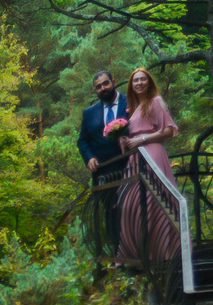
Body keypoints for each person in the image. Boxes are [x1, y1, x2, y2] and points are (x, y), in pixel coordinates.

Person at [113, 66, 181, 267]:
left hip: (151, 153)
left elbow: (169, 131)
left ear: (149, 82)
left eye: (143, 79)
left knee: (153, 200)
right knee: (130, 203)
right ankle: (137, 251)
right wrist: (126, 139)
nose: (139, 83)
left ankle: (161, 252)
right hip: (136, 158)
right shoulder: (133, 109)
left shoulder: (156, 101)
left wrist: (142, 138)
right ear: (131, 85)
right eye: (135, 80)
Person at [77, 67, 128, 258]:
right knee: (111, 214)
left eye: (106, 83)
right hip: (104, 173)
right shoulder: (89, 113)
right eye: (98, 87)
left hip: (131, 166)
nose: (103, 88)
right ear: (95, 90)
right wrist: (89, 157)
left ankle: (140, 250)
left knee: (134, 209)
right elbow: (82, 140)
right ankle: (119, 255)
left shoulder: (129, 101)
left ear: (114, 81)